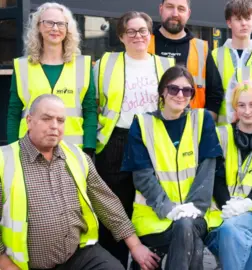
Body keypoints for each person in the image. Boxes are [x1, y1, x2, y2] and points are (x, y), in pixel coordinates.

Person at [0, 94, 160, 270]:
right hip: (25, 265)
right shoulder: (5, 161)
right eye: (46, 119)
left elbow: (106, 203)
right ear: (29, 121)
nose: (54, 126)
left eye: (60, 120)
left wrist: (135, 245)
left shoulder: (76, 157)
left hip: (78, 256)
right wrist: (6, 265)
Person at [121, 66, 223, 270]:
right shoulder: (142, 124)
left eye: (187, 91)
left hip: (197, 213)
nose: (180, 95)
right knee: (190, 239)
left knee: (187, 226)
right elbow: (142, 177)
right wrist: (170, 210)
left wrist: (194, 207)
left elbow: (207, 169)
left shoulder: (202, 121)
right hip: (154, 216)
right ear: (162, 91)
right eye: (174, 89)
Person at [93, 11, 174, 267]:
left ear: (150, 35)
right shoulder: (105, 63)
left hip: (153, 142)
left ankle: (146, 263)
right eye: (131, 31)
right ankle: (113, 264)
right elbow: (93, 104)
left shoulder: (165, 65)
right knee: (114, 207)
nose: (138, 36)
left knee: (150, 206)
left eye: (143, 31)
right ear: (121, 36)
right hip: (117, 141)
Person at [7, 2, 97, 157]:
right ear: (38, 27)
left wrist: (89, 147)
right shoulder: (22, 66)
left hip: (73, 150)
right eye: (49, 22)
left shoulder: (83, 65)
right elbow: (14, 112)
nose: (55, 28)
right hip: (30, 150)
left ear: (68, 29)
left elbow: (90, 110)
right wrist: (11, 149)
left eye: (61, 24)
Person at [205, 81, 252, 270]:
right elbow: (215, 175)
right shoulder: (220, 135)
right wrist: (228, 204)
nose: (247, 111)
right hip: (220, 212)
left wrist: (247, 203)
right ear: (234, 107)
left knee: (231, 230)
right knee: (242, 242)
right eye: (241, 105)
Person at [148, 0, 224, 119]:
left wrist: (205, 123)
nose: (175, 13)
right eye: (170, 7)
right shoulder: (145, 43)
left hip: (191, 129)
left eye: (181, 9)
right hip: (151, 125)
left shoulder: (201, 49)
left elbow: (215, 92)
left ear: (188, 14)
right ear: (161, 9)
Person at [212, 0, 252, 125]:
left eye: (248, 18)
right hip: (224, 129)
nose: (244, 23)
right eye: (238, 19)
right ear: (229, 23)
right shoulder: (215, 55)